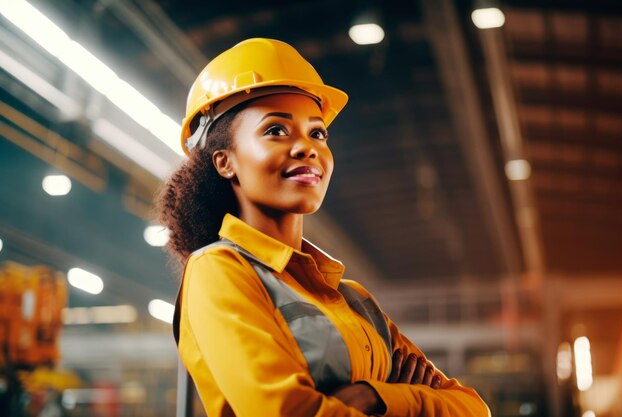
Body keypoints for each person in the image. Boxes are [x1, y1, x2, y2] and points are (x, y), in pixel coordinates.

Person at [157, 38, 490, 417]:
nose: (307, 147)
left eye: (317, 133)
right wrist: (411, 399)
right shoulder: (218, 272)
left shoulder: (354, 299)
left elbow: (473, 409)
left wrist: (375, 397)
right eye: (276, 131)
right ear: (224, 162)